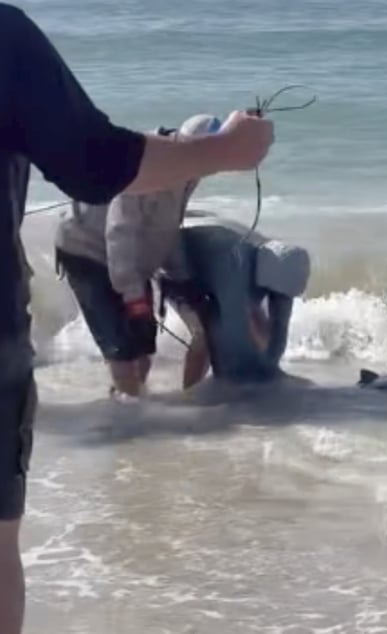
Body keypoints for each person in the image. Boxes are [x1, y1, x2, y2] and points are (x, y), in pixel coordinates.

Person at [0, 4, 275, 633]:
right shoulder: (3, 34)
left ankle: (131, 401)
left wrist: (207, 307)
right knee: (130, 354)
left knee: (141, 349)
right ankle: (125, 407)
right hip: (91, 259)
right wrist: (231, 149)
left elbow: (166, 247)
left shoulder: (180, 189)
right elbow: (113, 203)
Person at [54, 114, 225, 399]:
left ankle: (131, 405)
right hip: (86, 249)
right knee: (122, 350)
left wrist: (183, 278)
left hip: (129, 258)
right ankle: (132, 426)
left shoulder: (187, 170)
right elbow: (121, 232)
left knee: (144, 345)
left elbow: (163, 227)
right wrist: (133, 296)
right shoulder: (151, 167)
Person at [157, 211, 310, 386]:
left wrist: (270, 365)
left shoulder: (281, 263)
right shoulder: (236, 263)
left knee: (255, 317)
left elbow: (278, 328)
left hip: (210, 243)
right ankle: (190, 392)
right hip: (177, 261)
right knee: (204, 334)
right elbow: (233, 335)